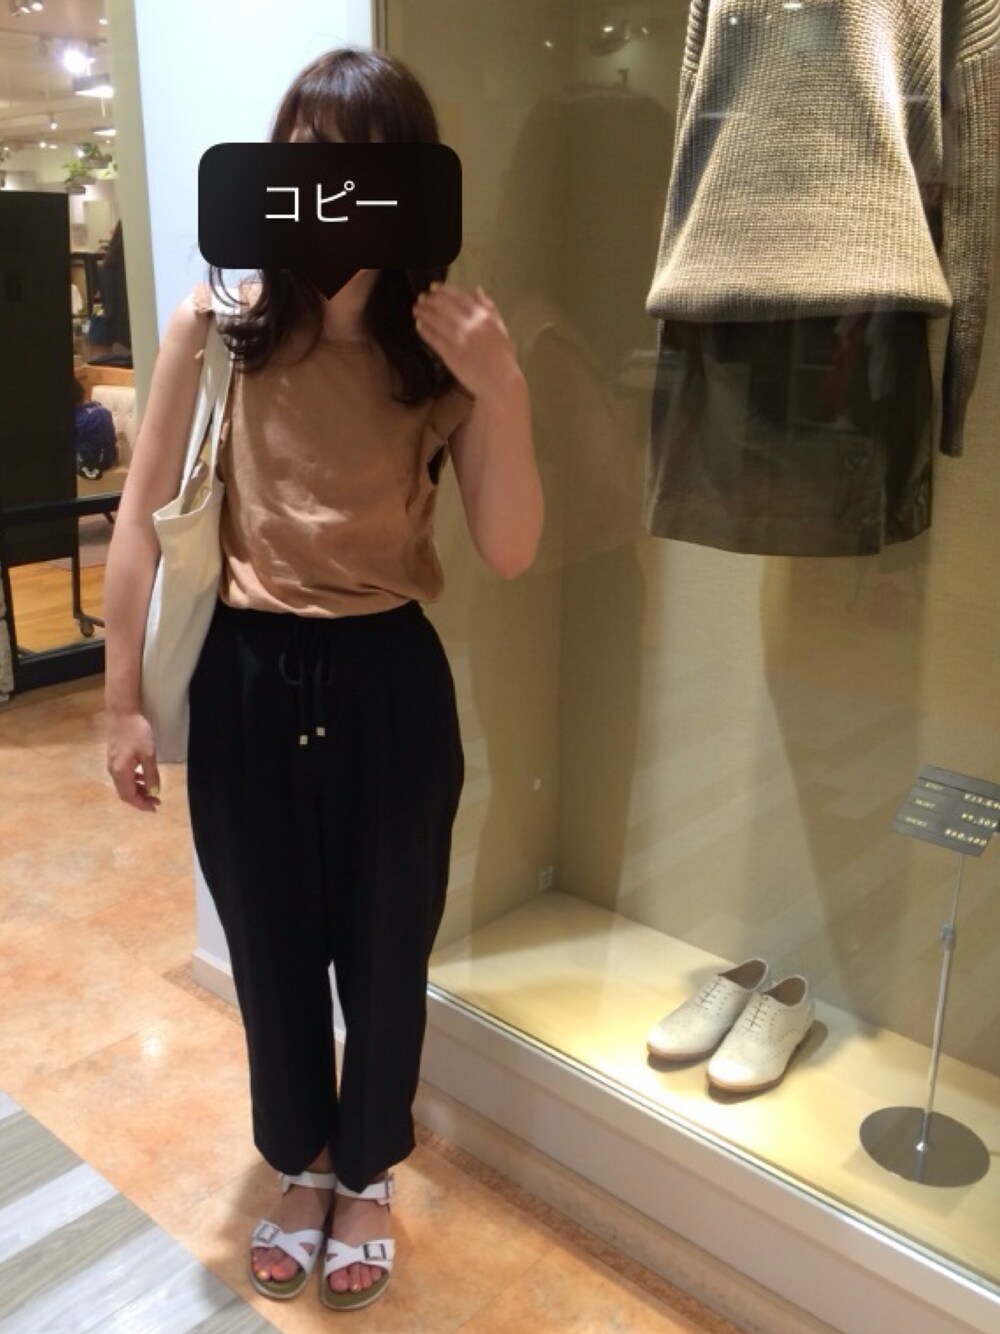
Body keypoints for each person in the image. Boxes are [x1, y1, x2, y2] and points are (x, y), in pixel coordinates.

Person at [103, 46, 542, 1313]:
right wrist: (123, 696)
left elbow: (509, 546)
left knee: (386, 948)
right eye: (304, 166)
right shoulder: (216, 324)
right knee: (270, 944)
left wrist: (503, 386)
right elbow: (139, 516)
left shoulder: (440, 349)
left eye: (359, 173)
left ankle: (366, 1174)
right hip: (245, 671)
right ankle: (299, 1161)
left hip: (388, 678)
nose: (328, 198)